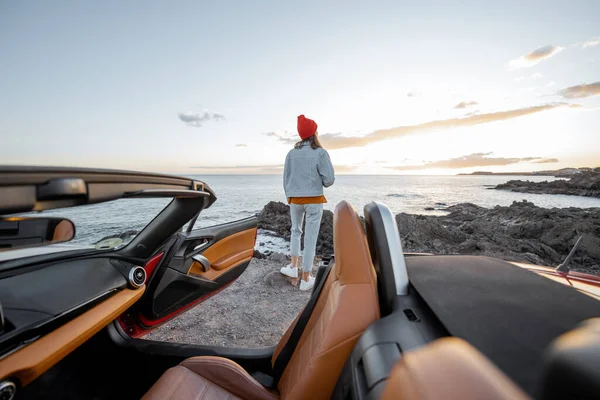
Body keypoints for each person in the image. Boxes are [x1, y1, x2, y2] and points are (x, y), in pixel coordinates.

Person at [280, 114, 335, 291]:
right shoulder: (320, 153)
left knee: (295, 231)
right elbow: (329, 180)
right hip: (314, 201)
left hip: (295, 200)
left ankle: (293, 267)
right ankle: (305, 278)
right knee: (310, 239)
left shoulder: (291, 154)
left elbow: (286, 178)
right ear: (314, 133)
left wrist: (289, 196)